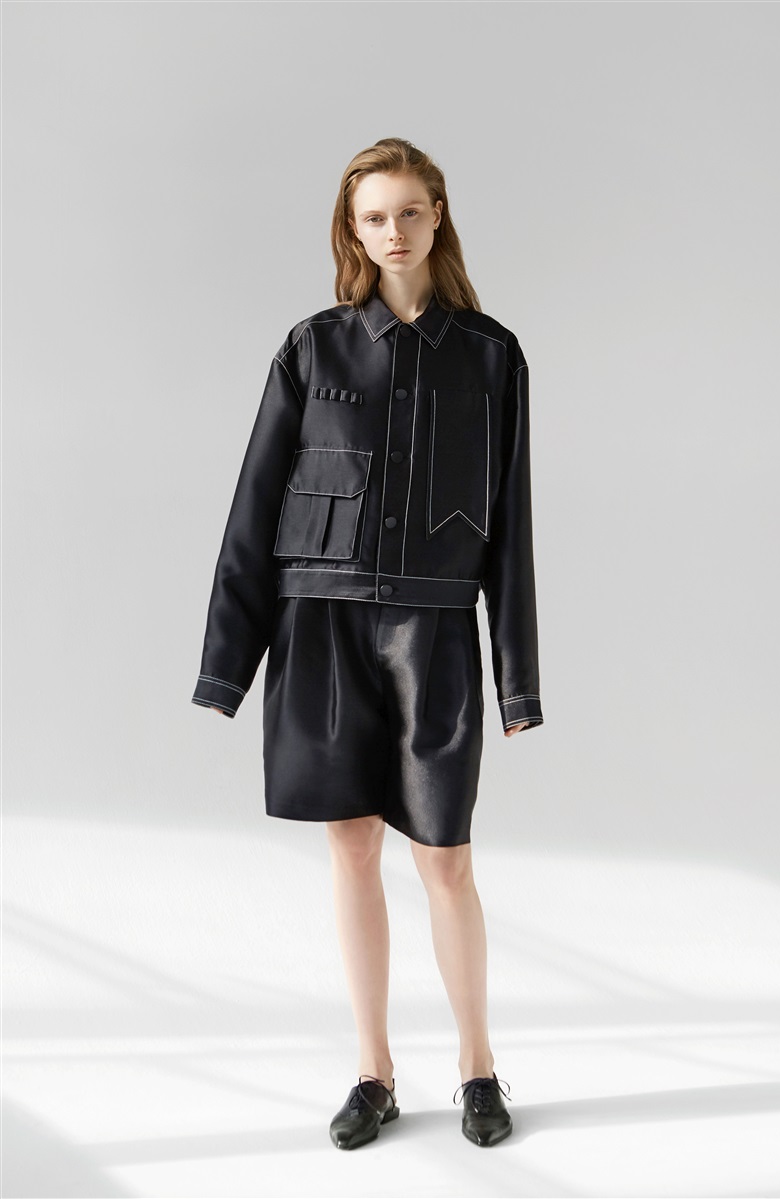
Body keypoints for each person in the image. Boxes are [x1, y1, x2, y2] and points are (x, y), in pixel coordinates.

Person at [191, 136, 544, 1150]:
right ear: (352, 230)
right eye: (373, 216)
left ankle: (477, 1067)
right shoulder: (311, 349)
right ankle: (372, 1070)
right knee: (350, 851)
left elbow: (512, 525)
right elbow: (255, 506)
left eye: (409, 212)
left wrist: (516, 680)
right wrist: (228, 662)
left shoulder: (491, 356)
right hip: (321, 627)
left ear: (438, 217)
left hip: (433, 631)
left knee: (445, 859)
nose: (394, 231)